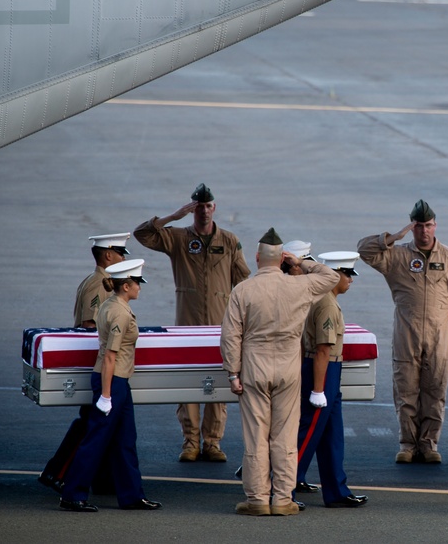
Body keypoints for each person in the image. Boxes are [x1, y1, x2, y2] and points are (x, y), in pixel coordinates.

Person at [221, 229, 339, 516]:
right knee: (284, 436)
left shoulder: (243, 290)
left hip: (254, 367)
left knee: (256, 436)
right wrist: (301, 263)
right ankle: (283, 498)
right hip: (288, 368)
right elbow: (332, 277)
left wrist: (233, 374)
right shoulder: (299, 286)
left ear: (258, 258)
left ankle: (258, 499)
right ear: (282, 258)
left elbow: (230, 336)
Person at [134, 183, 250, 463]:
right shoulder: (178, 239)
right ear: (191, 209)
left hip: (220, 326)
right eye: (198, 207)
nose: (204, 211)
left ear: (215, 207)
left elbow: (244, 282)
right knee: (188, 383)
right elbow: (142, 234)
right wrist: (172, 217)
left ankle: (212, 442)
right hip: (186, 325)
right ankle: (190, 441)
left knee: (221, 381)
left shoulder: (230, 241)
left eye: (208, 206)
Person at [357, 200, 448, 464]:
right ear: (412, 226)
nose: (424, 231)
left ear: (435, 226)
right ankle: (407, 443)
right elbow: (364, 251)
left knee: (435, 391)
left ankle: (429, 444)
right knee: (406, 392)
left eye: (428, 225)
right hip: (406, 335)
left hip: (439, 337)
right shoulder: (397, 256)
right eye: (418, 226)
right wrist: (393, 238)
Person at [58, 259, 162, 512]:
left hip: (119, 381)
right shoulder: (118, 311)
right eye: (137, 282)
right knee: (96, 439)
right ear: (126, 286)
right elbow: (110, 356)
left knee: (126, 440)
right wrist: (106, 395)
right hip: (112, 381)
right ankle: (72, 494)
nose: (139, 287)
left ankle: (132, 495)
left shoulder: (112, 304)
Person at [39, 232, 129, 493]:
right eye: (121, 254)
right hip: (97, 361)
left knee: (98, 420)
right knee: (91, 421)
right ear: (109, 255)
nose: (123, 259)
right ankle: (58, 471)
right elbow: (91, 325)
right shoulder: (100, 285)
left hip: (97, 360)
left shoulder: (97, 280)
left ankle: (99, 477)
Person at [294, 251, 369, 509]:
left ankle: (336, 490)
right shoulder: (326, 302)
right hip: (322, 372)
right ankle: (281, 488)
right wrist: (318, 389)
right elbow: (323, 349)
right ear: (335, 274)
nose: (350, 279)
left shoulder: (326, 299)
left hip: (328, 372)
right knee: (308, 434)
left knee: (331, 436)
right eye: (347, 274)